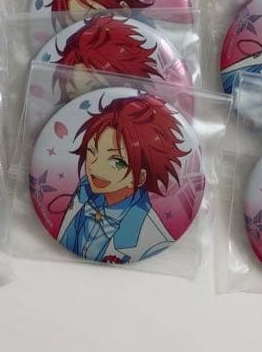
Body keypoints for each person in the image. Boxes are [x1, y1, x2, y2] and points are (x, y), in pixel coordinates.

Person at [57, 94, 187, 263]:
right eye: (92, 152)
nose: (95, 168)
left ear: (141, 177)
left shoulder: (153, 240)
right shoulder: (84, 192)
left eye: (115, 162)